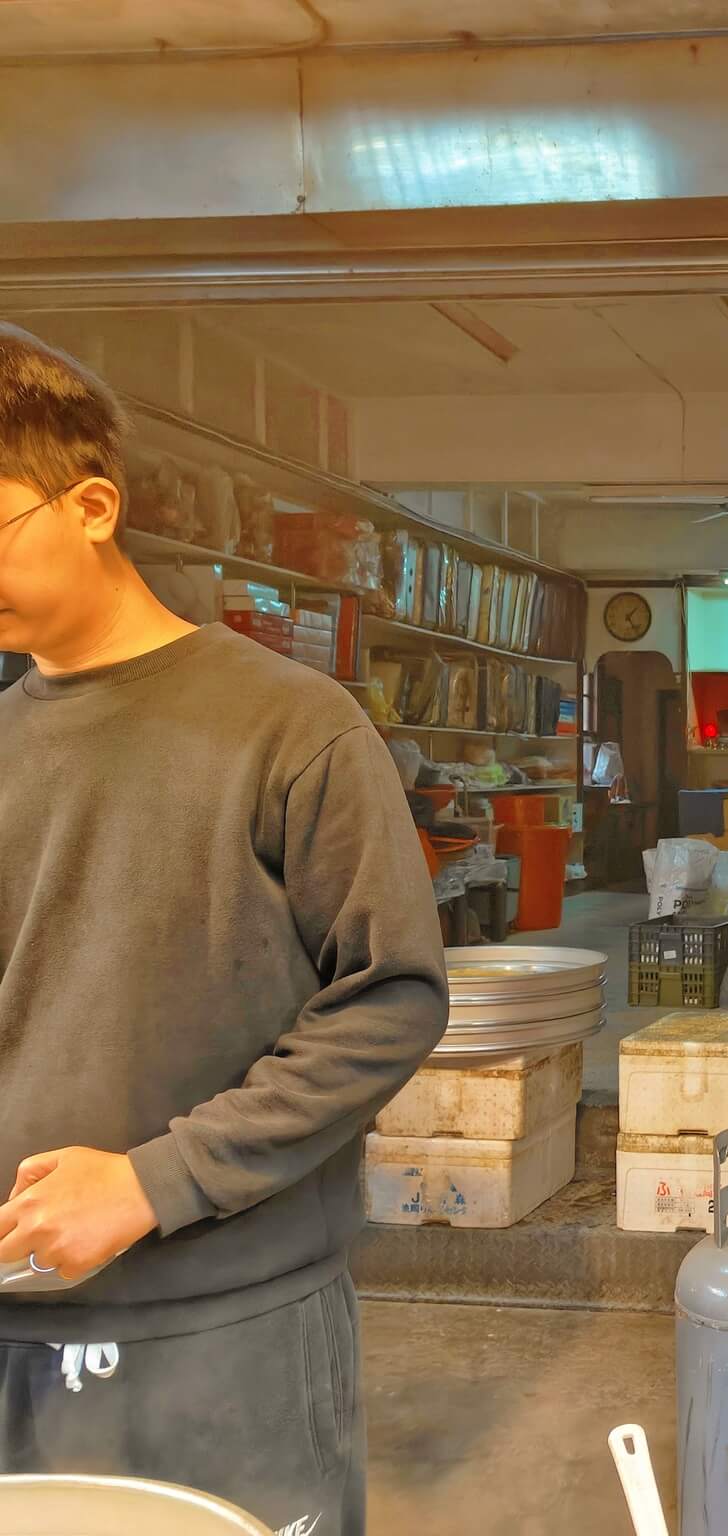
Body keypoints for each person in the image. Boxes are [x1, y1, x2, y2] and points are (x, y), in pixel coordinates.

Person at [0, 325, 447, 1534]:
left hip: (217, 1318)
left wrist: (157, 1182)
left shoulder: (293, 728)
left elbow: (391, 998)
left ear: (89, 505)